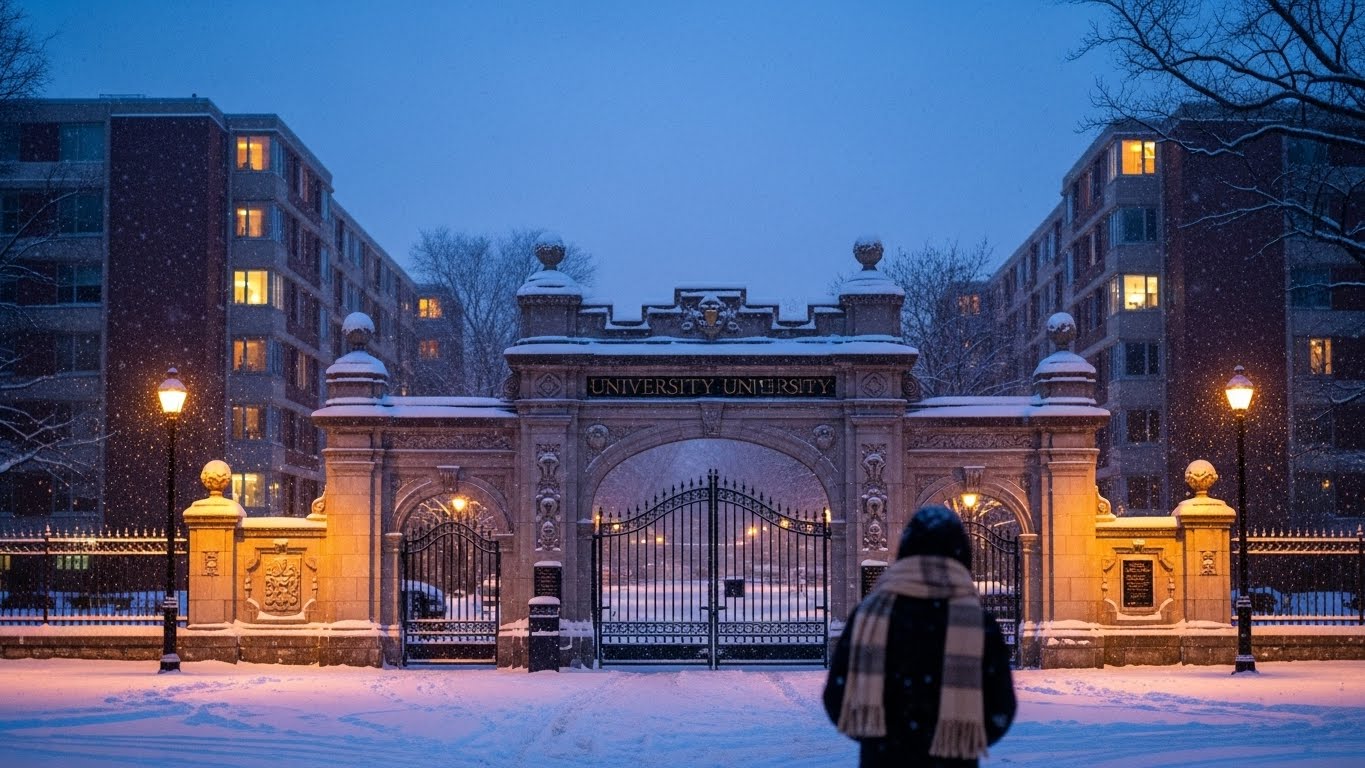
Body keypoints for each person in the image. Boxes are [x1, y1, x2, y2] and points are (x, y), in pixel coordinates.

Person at [823, 505, 1016, 767]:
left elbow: (838, 700)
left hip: (884, 760)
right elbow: (1000, 710)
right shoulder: (979, 623)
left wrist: (882, 737)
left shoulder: (870, 614)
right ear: (962, 554)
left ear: (905, 551)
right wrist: (957, 735)